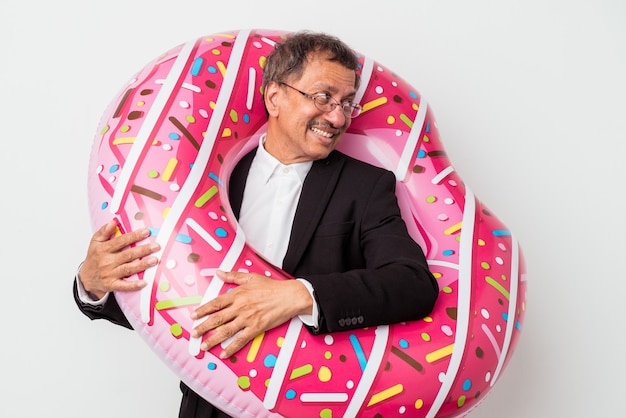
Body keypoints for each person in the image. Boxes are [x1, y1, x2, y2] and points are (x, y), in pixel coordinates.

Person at [74, 31, 439, 418]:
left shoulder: (365, 187)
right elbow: (167, 299)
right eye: (322, 97)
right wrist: (93, 284)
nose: (337, 117)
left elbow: (412, 284)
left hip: (309, 403)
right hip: (207, 406)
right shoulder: (199, 181)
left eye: (346, 103)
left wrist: (301, 294)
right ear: (274, 97)